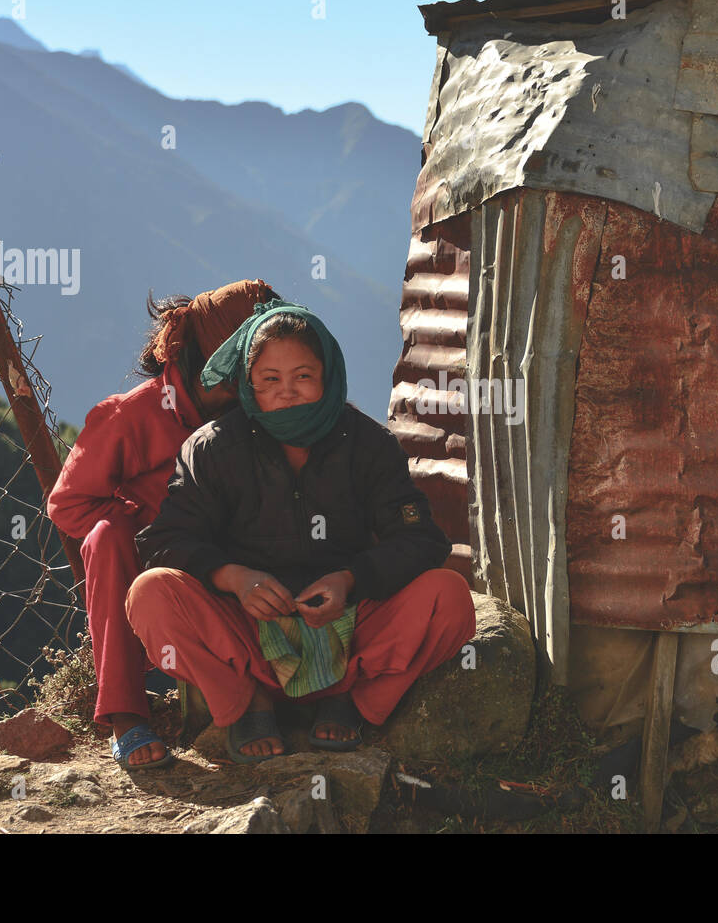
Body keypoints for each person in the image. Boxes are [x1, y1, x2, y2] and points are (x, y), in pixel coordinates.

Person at [127, 299, 476, 761]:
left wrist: (350, 580)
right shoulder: (213, 449)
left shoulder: (368, 444)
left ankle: (352, 700)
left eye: (303, 377)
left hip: (349, 635)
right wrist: (234, 578)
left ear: (327, 376)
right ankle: (248, 702)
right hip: (248, 638)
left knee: (449, 597)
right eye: (270, 380)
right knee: (150, 593)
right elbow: (165, 542)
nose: (286, 392)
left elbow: (420, 541)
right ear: (248, 384)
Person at [46, 278, 280, 770]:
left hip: (224, 555)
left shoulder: (254, 412)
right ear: (207, 359)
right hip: (153, 559)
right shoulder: (131, 415)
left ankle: (284, 685)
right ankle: (125, 717)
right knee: (106, 540)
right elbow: (67, 505)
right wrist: (145, 525)